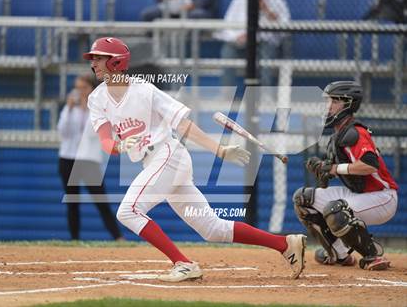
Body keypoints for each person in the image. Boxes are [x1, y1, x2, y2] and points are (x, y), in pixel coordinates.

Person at [83, 37, 306, 282]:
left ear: (116, 62)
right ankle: (284, 244)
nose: (93, 63)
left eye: (99, 58)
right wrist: (119, 145)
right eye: (93, 58)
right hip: (154, 163)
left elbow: (183, 125)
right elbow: (107, 143)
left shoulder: (144, 90)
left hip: (167, 155)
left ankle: (183, 264)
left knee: (128, 211)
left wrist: (219, 150)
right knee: (212, 229)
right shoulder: (96, 99)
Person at [293, 81, 398, 271]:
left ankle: (372, 254)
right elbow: (337, 171)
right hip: (358, 193)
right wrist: (323, 170)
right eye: (328, 101)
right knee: (303, 199)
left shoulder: (355, 132)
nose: (329, 106)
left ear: (348, 104)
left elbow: (369, 165)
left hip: (383, 196)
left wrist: (334, 169)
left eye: (334, 101)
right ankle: (339, 254)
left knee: (336, 210)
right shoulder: (338, 134)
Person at [57, 74, 124, 241]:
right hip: (68, 158)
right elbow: (62, 132)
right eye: (77, 88)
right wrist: (69, 108)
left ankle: (118, 237)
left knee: (100, 199)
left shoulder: (99, 109)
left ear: (93, 90)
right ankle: (74, 239)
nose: (80, 92)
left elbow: (97, 134)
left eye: (84, 88)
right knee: (72, 201)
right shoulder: (70, 108)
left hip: (88, 160)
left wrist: (89, 110)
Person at [215, 0, 290, 89]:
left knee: (267, 55)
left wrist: (266, 9)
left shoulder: (276, 1)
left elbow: (285, 29)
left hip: (265, 42)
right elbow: (227, 26)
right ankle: (227, 95)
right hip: (242, 43)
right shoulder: (239, 0)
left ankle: (265, 95)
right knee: (227, 52)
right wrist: (237, 37)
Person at [141, 0, 217, 21]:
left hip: (193, 9)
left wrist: (192, 5)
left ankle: (190, 48)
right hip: (170, 8)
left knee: (196, 15)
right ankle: (155, 47)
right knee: (148, 14)